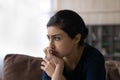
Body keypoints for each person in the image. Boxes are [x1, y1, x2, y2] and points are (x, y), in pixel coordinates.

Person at [41, 9, 106, 80]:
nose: (50, 46)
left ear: (76, 38)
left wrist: (57, 73)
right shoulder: (51, 59)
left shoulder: (94, 58)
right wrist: (58, 68)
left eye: (57, 38)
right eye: (49, 38)